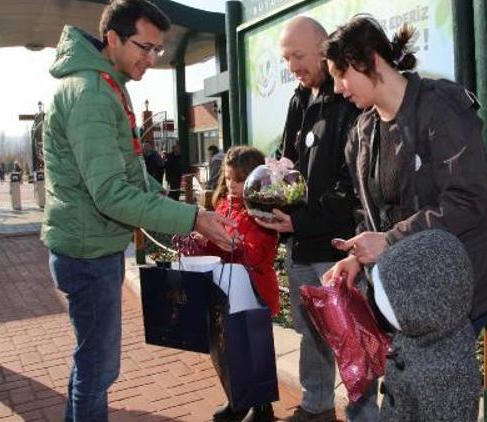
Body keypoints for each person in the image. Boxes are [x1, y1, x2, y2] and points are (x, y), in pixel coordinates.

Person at [41, 1, 234, 420]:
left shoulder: (106, 83)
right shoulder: (91, 93)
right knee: (99, 368)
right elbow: (110, 193)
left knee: (90, 362)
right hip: (88, 251)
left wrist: (178, 213)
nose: (151, 58)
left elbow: (130, 171)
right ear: (112, 38)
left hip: (92, 244)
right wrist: (194, 218)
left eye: (157, 50)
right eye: (144, 47)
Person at [321, 16, 487, 336]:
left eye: (340, 74)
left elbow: (468, 199)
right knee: (409, 380)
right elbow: (370, 212)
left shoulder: (440, 106)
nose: (336, 88)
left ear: (370, 61)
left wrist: (389, 241)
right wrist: (358, 258)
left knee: (433, 381)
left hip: (463, 280)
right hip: (410, 286)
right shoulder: (362, 131)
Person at [255, 16, 370, 422]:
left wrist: (301, 222)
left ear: (324, 48)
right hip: (299, 244)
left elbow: (352, 185)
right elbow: (288, 164)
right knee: (311, 333)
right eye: (286, 59)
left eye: (298, 56)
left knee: (350, 339)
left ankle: (363, 415)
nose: (292, 67)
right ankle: (317, 406)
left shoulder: (349, 98)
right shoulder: (298, 100)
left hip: (338, 249)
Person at [190, 146, 280, 422]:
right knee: (230, 351)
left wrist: (227, 242)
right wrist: (203, 242)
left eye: (239, 179)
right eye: (228, 178)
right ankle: (238, 400)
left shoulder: (263, 210)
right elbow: (219, 251)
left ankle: (262, 407)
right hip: (227, 287)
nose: (232, 185)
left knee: (256, 350)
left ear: (255, 179)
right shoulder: (223, 204)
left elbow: (257, 253)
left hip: (255, 289)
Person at [371, 229, 480, 421]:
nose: (381, 304)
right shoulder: (418, 334)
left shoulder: (448, 373)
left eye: (389, 298)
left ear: (424, 302)